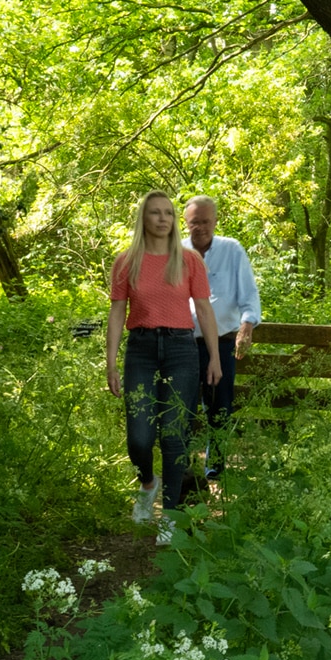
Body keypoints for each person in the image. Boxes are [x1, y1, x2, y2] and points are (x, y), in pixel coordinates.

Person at [103, 191, 219, 528]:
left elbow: (205, 309)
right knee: (139, 437)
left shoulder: (189, 260)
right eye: (155, 213)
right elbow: (116, 313)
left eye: (168, 213)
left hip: (182, 349)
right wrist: (110, 363)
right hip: (141, 349)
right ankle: (147, 485)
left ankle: (169, 516)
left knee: (174, 435)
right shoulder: (126, 262)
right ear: (144, 218)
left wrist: (214, 357)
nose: (163, 219)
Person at [184, 196, 260, 472]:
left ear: (215, 221)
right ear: (186, 223)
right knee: (183, 404)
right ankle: (184, 466)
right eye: (195, 222)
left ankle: (215, 466)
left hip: (223, 341)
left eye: (205, 221)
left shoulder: (232, 249)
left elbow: (248, 293)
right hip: (183, 343)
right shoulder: (177, 251)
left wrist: (247, 326)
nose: (200, 227)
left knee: (220, 406)